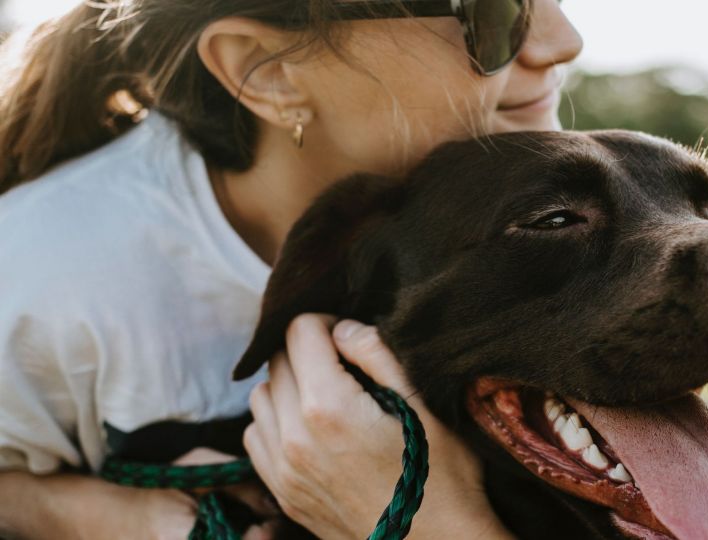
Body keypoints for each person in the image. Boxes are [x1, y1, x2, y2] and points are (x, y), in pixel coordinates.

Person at [0, 0, 581, 537]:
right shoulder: (38, 268)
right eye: (495, 13)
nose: (562, 42)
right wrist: (102, 518)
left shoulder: (578, 239)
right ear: (267, 71)